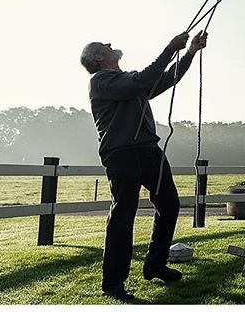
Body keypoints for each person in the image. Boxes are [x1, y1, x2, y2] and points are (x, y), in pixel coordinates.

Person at [80, 30, 208, 301]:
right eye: (105, 44)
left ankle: (155, 263)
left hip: (148, 149)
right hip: (122, 154)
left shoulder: (126, 80)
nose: (111, 43)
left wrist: (189, 53)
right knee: (124, 214)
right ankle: (112, 283)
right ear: (99, 57)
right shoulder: (100, 81)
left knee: (169, 204)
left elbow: (162, 81)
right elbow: (142, 81)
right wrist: (169, 48)